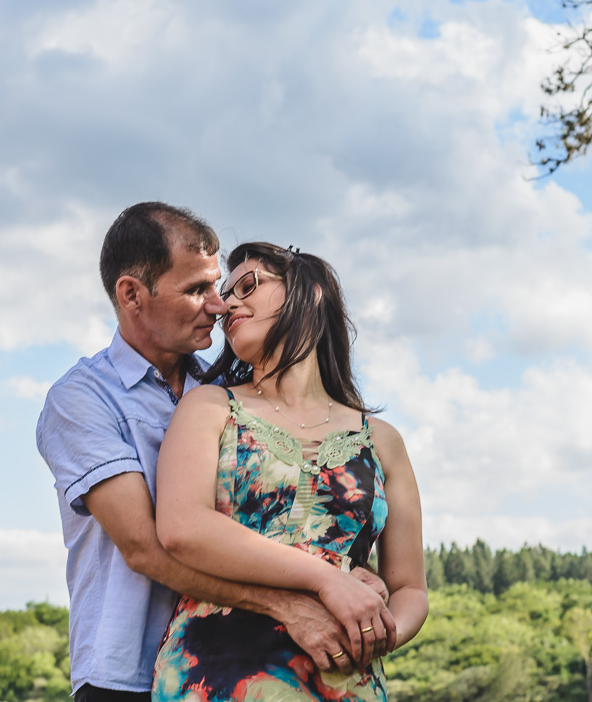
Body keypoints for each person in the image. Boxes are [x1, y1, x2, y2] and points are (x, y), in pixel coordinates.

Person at [37, 204, 387, 702]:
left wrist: (358, 579)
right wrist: (291, 605)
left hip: (246, 667)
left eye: (218, 287)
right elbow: (145, 546)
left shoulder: (231, 393)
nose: (218, 306)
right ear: (131, 294)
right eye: (196, 290)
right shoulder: (82, 399)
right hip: (127, 673)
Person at [151, 242, 428, 702]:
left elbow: (410, 588)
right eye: (226, 293)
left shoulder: (382, 440)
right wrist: (329, 579)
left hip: (344, 685)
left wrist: (377, 634)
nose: (228, 304)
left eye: (248, 285)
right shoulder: (211, 407)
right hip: (216, 676)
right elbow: (182, 527)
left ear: (311, 292)